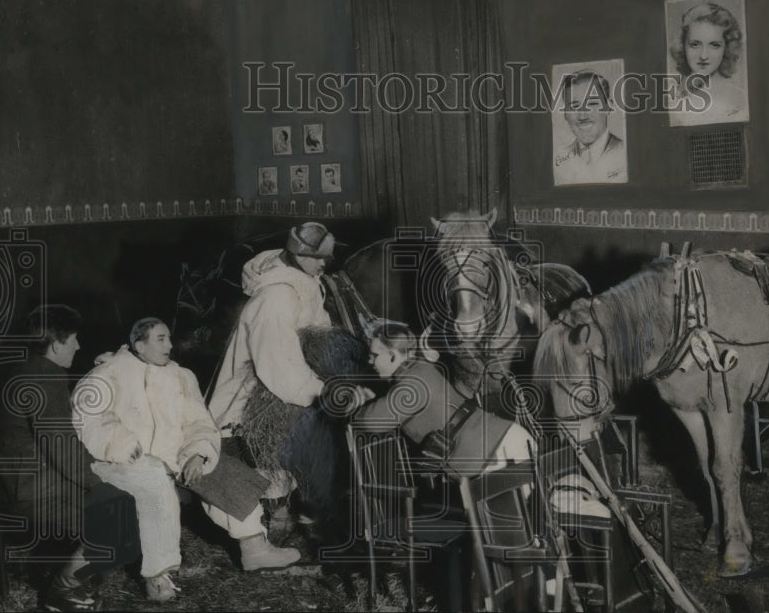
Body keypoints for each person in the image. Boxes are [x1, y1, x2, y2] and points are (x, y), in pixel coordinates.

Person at [72, 318, 301, 603]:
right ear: (139, 344)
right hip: (122, 460)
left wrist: (197, 453)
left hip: (173, 456)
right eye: (160, 339)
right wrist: (122, 444)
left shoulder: (182, 377)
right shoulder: (109, 373)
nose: (169, 345)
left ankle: (254, 546)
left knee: (218, 469)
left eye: (169, 338)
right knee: (155, 482)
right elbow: (89, 417)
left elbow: (199, 424)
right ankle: (157, 575)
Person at [0, 305, 141, 612]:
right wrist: (99, 482)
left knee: (123, 507)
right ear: (57, 342)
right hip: (33, 491)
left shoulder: (26, 368)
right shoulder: (45, 377)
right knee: (122, 522)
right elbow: (61, 447)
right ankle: (59, 594)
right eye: (73, 338)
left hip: (25, 481)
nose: (78, 345)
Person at [207, 222, 339, 528]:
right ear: (297, 254)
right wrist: (322, 391)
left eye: (326, 257)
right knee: (280, 439)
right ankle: (277, 510)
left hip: (288, 380)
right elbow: (278, 365)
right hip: (257, 392)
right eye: (318, 257)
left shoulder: (302, 279)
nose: (325, 263)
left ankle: (297, 502)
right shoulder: (275, 299)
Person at [350, 322, 535, 477]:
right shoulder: (421, 370)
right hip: (504, 441)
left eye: (374, 355)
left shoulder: (412, 383)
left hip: (495, 452)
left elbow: (369, 421)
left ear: (392, 356)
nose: (370, 361)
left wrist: (356, 403)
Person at [668, 1, 748, 125]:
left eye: (714, 45)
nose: (703, 56)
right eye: (695, 45)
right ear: (683, 46)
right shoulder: (670, 98)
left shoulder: (739, 100)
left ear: (726, 48)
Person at [553, 70, 627, 186]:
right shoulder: (556, 161)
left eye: (592, 103)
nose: (583, 116)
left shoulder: (627, 156)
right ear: (565, 114)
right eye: (574, 106)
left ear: (609, 107)